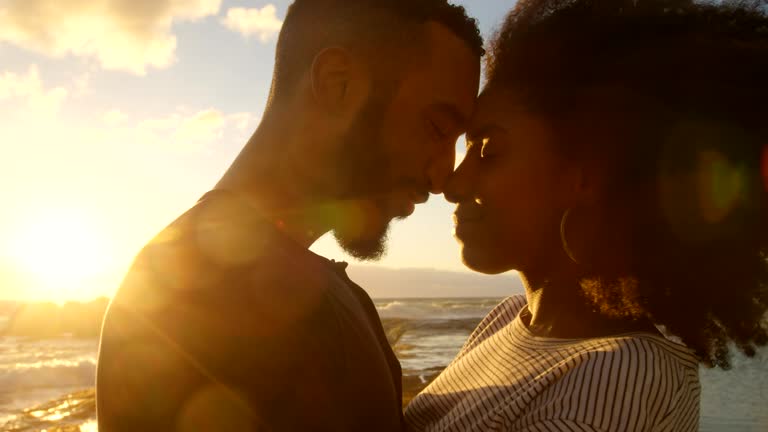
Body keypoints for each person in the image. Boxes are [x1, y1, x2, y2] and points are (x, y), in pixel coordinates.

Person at [96, 1, 483, 431]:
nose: (442, 177)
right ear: (338, 85)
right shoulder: (193, 292)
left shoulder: (333, 295)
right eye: (435, 128)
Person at [405, 0, 768, 430]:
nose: (453, 185)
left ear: (587, 177)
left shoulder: (619, 376)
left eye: (489, 150)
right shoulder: (509, 320)